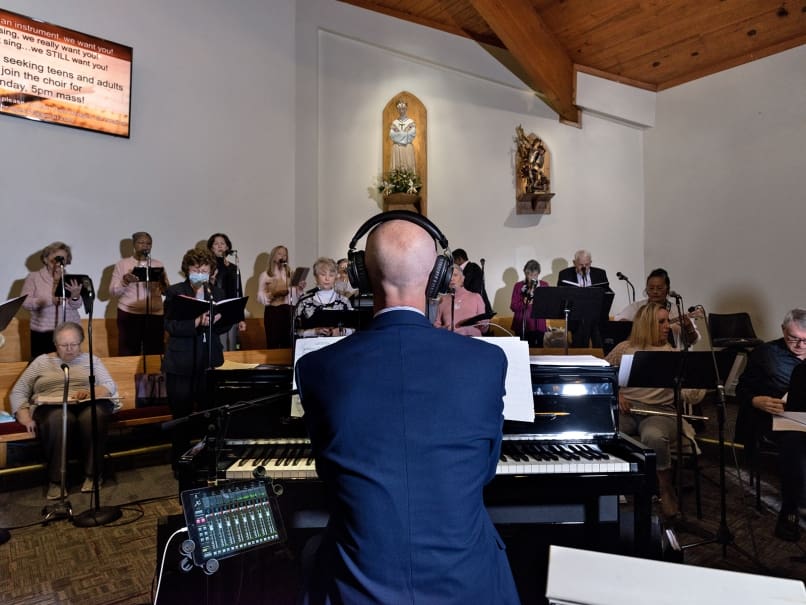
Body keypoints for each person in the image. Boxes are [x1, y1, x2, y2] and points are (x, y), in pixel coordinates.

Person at [295, 215, 519, 604]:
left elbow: (328, 474)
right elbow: (483, 472)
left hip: (359, 584)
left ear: (361, 277)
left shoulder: (317, 368)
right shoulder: (486, 363)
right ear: (438, 277)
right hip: (469, 584)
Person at [605, 302, 704, 521]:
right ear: (646, 324)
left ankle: (665, 488)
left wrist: (700, 381)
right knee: (607, 431)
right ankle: (613, 485)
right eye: (661, 322)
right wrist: (618, 394)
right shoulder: (624, 348)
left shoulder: (673, 353)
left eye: (667, 320)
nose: (667, 326)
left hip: (660, 413)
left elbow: (691, 395)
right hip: (628, 409)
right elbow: (603, 376)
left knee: (654, 436)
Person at [9, 322, 118, 499]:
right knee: (60, 418)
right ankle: (56, 480)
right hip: (51, 406)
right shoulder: (41, 362)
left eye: (74, 344)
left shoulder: (91, 360)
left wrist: (91, 392)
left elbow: (109, 385)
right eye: (64, 345)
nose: (69, 349)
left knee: (93, 416)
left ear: (81, 342)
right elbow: (19, 391)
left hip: (85, 403)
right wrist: (25, 416)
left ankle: (93, 474)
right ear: (55, 344)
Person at [735, 308, 806, 541]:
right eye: (793, 338)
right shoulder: (766, 353)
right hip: (778, 418)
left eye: (805, 340)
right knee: (794, 442)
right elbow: (742, 388)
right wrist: (757, 401)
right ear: (783, 331)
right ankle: (790, 509)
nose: (800, 345)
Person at [162, 247, 234, 468]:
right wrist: (195, 323)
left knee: (209, 414)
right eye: (196, 269)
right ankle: (180, 462)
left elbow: (223, 327)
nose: (200, 272)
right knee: (181, 416)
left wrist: (221, 320)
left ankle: (207, 460)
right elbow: (170, 325)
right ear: (188, 269)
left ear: (211, 271)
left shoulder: (217, 293)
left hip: (209, 360)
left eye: (204, 269)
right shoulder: (175, 292)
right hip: (181, 363)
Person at [109, 232, 170, 356]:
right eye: (141, 243)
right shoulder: (122, 264)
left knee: (155, 352)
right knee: (129, 352)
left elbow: (166, 291)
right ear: (134, 245)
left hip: (155, 315)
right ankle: (128, 376)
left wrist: (162, 282)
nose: (145, 246)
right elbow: (113, 291)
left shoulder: (158, 264)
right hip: (129, 315)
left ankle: (154, 376)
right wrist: (125, 281)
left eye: (148, 243)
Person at [21, 242, 84, 359]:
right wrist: (50, 300)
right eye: (55, 259)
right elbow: (25, 302)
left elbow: (76, 305)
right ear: (45, 259)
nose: (58, 263)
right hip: (43, 332)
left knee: (70, 366)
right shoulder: (34, 277)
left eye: (62, 260)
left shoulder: (70, 279)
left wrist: (75, 296)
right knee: (43, 369)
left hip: (69, 332)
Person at [614, 268, 699, 349]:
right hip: (641, 352)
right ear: (646, 290)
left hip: (671, 355)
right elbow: (618, 324)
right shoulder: (636, 307)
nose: (655, 291)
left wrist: (689, 328)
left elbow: (693, 341)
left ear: (667, 290)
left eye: (659, 288)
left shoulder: (677, 311)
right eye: (651, 288)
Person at [556, 249, 612, 347]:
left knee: (601, 345)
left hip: (597, 317)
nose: (584, 268)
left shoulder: (600, 273)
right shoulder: (565, 274)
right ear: (574, 263)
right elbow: (560, 296)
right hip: (577, 318)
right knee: (579, 346)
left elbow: (606, 292)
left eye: (587, 265)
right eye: (581, 265)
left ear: (590, 262)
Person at [258, 245, 305, 349]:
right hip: (273, 312)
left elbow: (295, 298)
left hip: (288, 311)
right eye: (279, 253)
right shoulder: (266, 275)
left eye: (285, 254)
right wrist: (272, 294)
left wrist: (299, 289)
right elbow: (260, 296)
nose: (283, 256)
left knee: (288, 342)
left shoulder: (290, 275)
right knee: (274, 342)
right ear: (273, 256)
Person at [295, 257, 355, 338]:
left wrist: (341, 331)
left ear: (336, 277)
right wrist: (313, 332)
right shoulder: (305, 301)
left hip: (338, 347)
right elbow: (294, 332)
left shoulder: (344, 301)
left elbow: (355, 330)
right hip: (311, 348)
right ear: (316, 276)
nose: (327, 279)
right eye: (323, 275)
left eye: (331, 275)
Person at [207, 233, 247, 350]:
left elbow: (238, 293)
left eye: (222, 243)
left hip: (232, 312)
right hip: (217, 312)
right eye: (216, 243)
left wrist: (241, 318)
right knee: (221, 348)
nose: (219, 246)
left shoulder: (234, 268)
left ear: (227, 247)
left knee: (233, 347)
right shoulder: (209, 268)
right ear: (211, 248)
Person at [434, 264, 489, 337]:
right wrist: (444, 329)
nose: (451, 279)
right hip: (450, 341)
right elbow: (436, 326)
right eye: (449, 276)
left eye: (455, 275)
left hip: (472, 341)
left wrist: (484, 324)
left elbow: (484, 330)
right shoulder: (443, 299)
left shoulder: (475, 297)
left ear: (462, 278)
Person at [510, 259, 549, 347]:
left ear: (538, 273)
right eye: (530, 275)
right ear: (525, 274)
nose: (532, 278)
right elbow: (513, 306)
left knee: (538, 351)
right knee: (522, 351)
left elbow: (547, 306)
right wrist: (523, 302)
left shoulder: (544, 285)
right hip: (522, 325)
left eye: (535, 275)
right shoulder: (518, 286)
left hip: (538, 325)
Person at [452, 248, 492, 314]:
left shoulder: (473, 267)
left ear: (459, 259)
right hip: (472, 307)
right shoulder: (466, 269)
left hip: (478, 308)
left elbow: (470, 287)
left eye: (454, 261)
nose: (453, 264)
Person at [389, 98, 416, 173]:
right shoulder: (395, 122)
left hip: (407, 148)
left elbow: (411, 136)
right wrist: (405, 132)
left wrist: (399, 133)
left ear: (406, 109)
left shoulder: (411, 122)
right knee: (397, 169)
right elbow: (392, 136)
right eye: (399, 109)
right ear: (397, 110)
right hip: (397, 149)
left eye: (403, 109)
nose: (401, 111)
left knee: (408, 168)